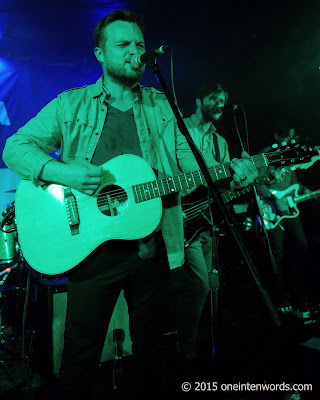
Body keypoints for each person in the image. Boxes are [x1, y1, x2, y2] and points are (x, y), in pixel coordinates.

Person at [2, 10, 258, 397]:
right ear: (100, 54)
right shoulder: (71, 105)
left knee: (153, 355)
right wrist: (63, 173)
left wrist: (230, 172)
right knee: (79, 358)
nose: (135, 52)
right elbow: (14, 147)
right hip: (91, 251)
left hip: (152, 250)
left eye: (139, 44)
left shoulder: (163, 109)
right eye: (123, 44)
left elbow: (194, 173)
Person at [171, 82, 232, 366]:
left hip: (207, 223)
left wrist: (246, 176)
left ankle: (205, 345)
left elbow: (224, 183)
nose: (219, 104)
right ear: (198, 100)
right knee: (198, 286)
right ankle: (187, 349)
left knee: (210, 285)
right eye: (213, 98)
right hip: (182, 219)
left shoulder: (221, 143)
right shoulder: (181, 129)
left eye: (222, 100)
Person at [257, 128, 311, 309]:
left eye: (291, 135)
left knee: (301, 245)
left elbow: (293, 183)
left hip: (289, 210)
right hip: (270, 211)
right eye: (286, 135)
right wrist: (274, 198)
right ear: (276, 135)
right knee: (276, 253)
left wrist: (307, 192)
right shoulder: (264, 155)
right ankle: (280, 298)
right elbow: (256, 184)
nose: (290, 138)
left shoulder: (289, 156)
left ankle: (296, 289)